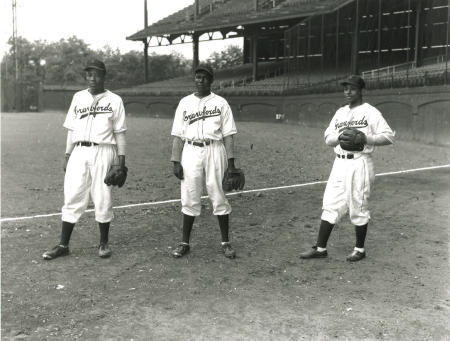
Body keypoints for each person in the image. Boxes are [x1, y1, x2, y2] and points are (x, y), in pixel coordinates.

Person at [300, 75, 395, 262]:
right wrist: (340, 136)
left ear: (360, 90)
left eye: (352, 88)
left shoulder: (370, 112)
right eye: (345, 88)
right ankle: (320, 248)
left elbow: (388, 136)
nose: (347, 91)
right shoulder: (340, 112)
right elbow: (328, 137)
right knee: (330, 203)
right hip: (339, 163)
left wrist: (365, 138)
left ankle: (359, 250)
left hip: (359, 162)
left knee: (357, 205)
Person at [42, 59, 127, 260]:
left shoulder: (115, 100)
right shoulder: (78, 97)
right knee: (72, 195)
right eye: (89, 74)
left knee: (102, 196)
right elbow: (71, 130)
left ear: (104, 76)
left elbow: (120, 133)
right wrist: (67, 155)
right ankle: (63, 244)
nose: (92, 78)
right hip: (79, 151)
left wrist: (120, 161)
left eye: (96, 74)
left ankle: (103, 243)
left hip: (104, 150)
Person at [170, 64, 239, 259]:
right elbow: (177, 135)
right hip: (190, 151)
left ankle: (225, 242)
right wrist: (175, 160)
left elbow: (229, 136)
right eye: (197, 77)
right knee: (190, 194)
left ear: (211, 80)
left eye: (204, 77)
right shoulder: (185, 103)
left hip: (215, 149)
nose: (200, 80)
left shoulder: (221, 103)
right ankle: (185, 243)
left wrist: (231, 164)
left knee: (218, 194)